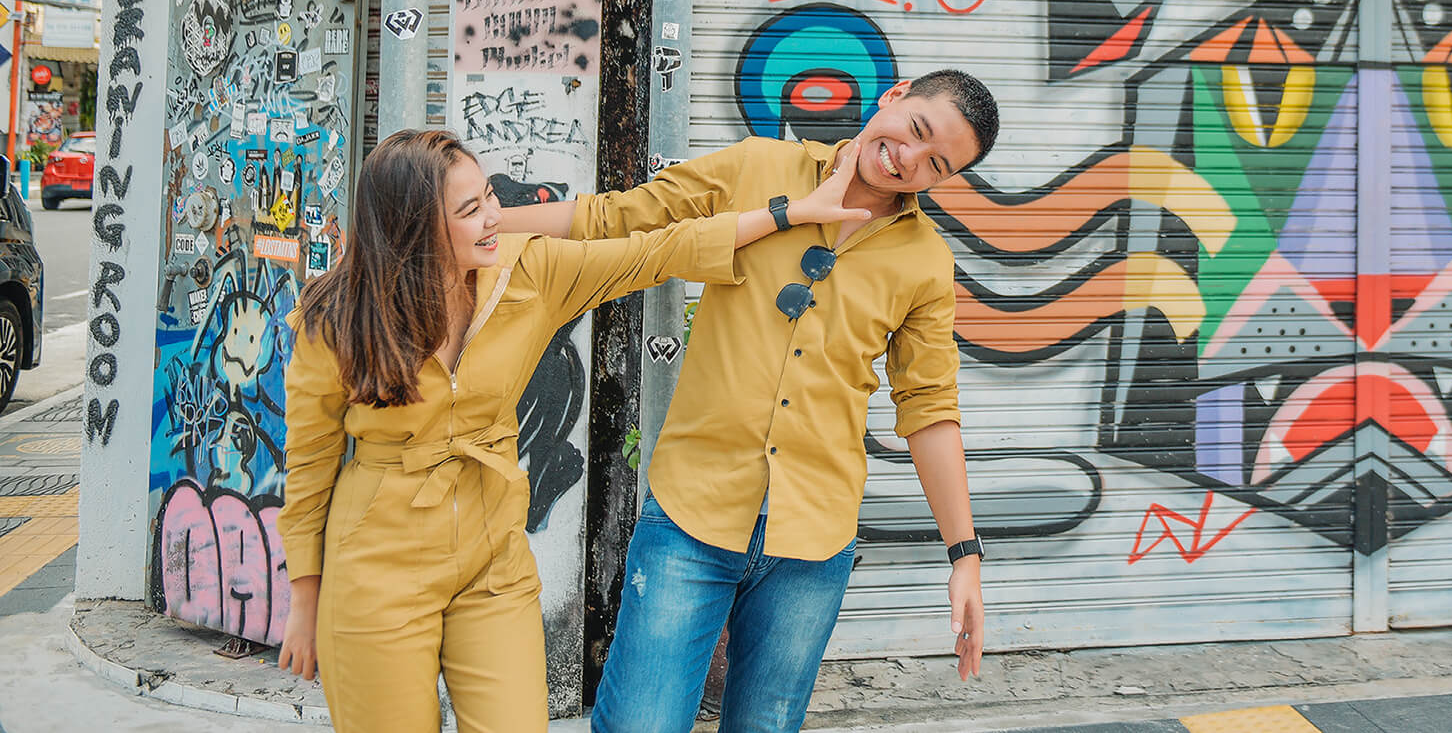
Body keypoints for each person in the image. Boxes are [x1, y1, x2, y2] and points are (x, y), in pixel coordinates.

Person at [275, 128, 869, 732]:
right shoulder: (336, 319)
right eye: (470, 209)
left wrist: (788, 212)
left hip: (492, 558)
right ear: (413, 228)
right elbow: (310, 467)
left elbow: (658, 251)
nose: (495, 217)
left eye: (489, 197)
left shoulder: (529, 272)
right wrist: (304, 600)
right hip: (376, 560)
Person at [495, 69, 1001, 733]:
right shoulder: (760, 166)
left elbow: (930, 408)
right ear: (895, 96)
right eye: (916, 131)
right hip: (693, 516)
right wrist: (479, 225)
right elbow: (614, 217)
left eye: (936, 164)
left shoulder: (926, 262)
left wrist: (964, 555)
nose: (909, 159)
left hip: (812, 543)